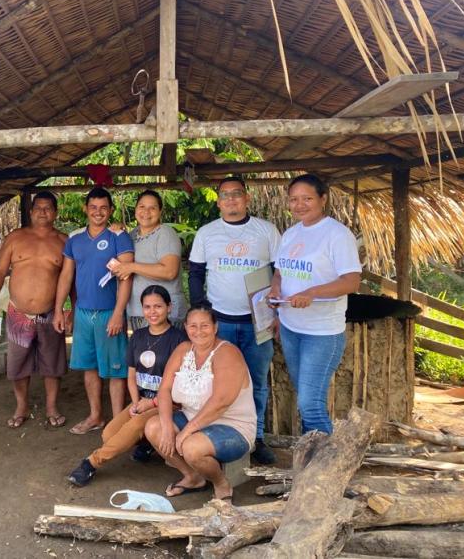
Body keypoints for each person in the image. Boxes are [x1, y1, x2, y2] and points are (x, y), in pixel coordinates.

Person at [187, 176, 281, 464]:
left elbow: (280, 272)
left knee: (257, 380)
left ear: (247, 198)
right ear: (218, 201)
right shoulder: (207, 233)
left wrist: (277, 312)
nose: (231, 200)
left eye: (236, 194)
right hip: (220, 322)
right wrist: (200, 310)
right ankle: (218, 435)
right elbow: (195, 273)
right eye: (225, 195)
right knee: (216, 383)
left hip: (257, 322)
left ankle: (256, 437)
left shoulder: (266, 231)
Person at [66, 285, 188, 486]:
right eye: (147, 307)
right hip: (141, 401)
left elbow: (181, 384)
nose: (152, 312)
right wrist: (135, 402)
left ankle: (91, 463)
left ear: (169, 307)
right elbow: (132, 374)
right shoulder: (138, 336)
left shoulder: (179, 339)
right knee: (109, 434)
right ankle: (148, 444)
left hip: (168, 404)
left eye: (158, 306)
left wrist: (151, 403)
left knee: (133, 427)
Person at [268, 173, 361, 434]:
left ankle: (325, 466)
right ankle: (312, 454)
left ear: (323, 199)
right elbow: (279, 271)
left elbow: (352, 282)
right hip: (290, 327)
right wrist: (275, 288)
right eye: (294, 199)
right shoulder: (290, 234)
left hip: (321, 333)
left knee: (310, 403)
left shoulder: (337, 235)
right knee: (305, 397)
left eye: (307, 198)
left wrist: (312, 293)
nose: (299, 205)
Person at [144, 303, 256, 502]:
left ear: (215, 327)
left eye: (204, 326)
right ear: (186, 328)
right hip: (192, 417)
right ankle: (193, 477)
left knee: (191, 447)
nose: (198, 331)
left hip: (231, 425)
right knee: (154, 427)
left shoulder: (227, 353)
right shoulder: (183, 349)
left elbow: (221, 402)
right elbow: (165, 390)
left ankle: (221, 483)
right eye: (193, 326)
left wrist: (186, 432)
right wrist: (167, 425)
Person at [0, 191, 68, 429]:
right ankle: (22, 406)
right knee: (18, 364)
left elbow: (70, 279)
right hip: (18, 312)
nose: (43, 211)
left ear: (55, 213)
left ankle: (52, 407)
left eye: (48, 207)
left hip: (51, 312)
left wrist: (68, 310)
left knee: (53, 363)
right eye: (38, 207)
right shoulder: (15, 238)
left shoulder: (63, 241)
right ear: (30, 212)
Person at [54, 186, 134, 435]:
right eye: (93, 208)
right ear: (85, 209)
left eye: (103, 208)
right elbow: (66, 275)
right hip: (83, 312)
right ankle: (96, 416)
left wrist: (119, 313)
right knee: (89, 367)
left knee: (115, 369)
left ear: (110, 210)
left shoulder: (119, 237)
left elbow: (126, 276)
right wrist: (60, 309)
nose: (98, 212)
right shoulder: (74, 240)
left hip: (109, 311)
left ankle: (117, 422)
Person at [108, 190, 187, 330]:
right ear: (136, 208)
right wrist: (118, 232)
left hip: (165, 313)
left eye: (153, 208)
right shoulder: (132, 235)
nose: (146, 212)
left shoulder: (165, 233)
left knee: (166, 351)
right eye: (142, 206)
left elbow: (169, 271)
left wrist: (131, 266)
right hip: (139, 311)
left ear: (160, 211)